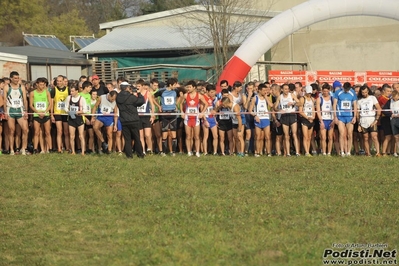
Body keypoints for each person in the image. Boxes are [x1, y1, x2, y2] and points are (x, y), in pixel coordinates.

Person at [116, 83, 145, 159]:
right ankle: (140, 154)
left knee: (127, 139)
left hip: (124, 120)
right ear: (127, 88)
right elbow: (141, 101)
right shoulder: (131, 97)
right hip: (133, 120)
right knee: (136, 138)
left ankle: (129, 155)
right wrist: (138, 93)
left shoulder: (118, 97)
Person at [179, 80, 208, 157]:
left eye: (189, 87)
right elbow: (181, 104)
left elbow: (206, 104)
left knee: (196, 136)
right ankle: (189, 151)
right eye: (187, 87)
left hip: (196, 119)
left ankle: (197, 152)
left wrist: (202, 113)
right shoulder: (185, 95)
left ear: (194, 87)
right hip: (188, 118)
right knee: (188, 136)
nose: (188, 88)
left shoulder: (199, 96)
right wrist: (182, 112)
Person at [3, 71, 29, 155]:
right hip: (11, 110)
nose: (17, 80)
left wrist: (25, 111)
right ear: (11, 78)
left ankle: (23, 148)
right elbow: (4, 100)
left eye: (18, 78)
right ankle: (11, 150)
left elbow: (25, 100)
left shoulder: (22, 87)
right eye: (15, 78)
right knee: (12, 130)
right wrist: (5, 112)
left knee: (25, 129)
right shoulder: (7, 87)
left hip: (20, 110)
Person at [153, 78, 180, 156]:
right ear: (170, 85)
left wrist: (176, 104)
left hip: (173, 113)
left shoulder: (176, 91)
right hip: (164, 114)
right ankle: (164, 152)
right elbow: (152, 97)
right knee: (164, 134)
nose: (176, 86)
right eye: (174, 85)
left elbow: (180, 97)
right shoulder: (162, 91)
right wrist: (159, 106)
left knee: (173, 133)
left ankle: (173, 152)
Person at [248, 83, 275, 157]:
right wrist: (255, 116)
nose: (265, 92)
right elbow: (250, 110)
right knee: (258, 136)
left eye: (266, 90)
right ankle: (257, 152)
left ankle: (268, 152)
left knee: (267, 137)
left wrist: (266, 97)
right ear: (259, 90)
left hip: (266, 118)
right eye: (263, 90)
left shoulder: (267, 97)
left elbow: (272, 105)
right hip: (258, 119)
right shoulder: (255, 98)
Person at [274, 83, 301, 156]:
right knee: (286, 135)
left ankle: (297, 152)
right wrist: (279, 110)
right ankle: (288, 153)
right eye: (285, 89)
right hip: (284, 116)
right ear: (282, 89)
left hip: (292, 115)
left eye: (288, 89)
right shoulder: (280, 97)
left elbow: (300, 103)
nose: (287, 90)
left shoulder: (291, 95)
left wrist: (293, 103)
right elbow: (275, 107)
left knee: (294, 134)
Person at [333, 82, 357, 157]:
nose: (346, 91)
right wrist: (335, 117)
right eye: (345, 89)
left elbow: (355, 105)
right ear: (343, 87)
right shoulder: (338, 92)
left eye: (348, 89)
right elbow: (334, 105)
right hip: (340, 116)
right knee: (342, 134)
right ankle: (342, 152)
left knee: (350, 134)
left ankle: (348, 152)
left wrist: (355, 116)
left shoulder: (352, 93)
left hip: (349, 116)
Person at [356, 85, 381, 156]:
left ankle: (378, 152)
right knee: (365, 138)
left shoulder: (372, 98)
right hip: (363, 121)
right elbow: (357, 113)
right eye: (363, 92)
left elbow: (378, 108)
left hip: (372, 119)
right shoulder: (359, 100)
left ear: (368, 91)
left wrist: (376, 119)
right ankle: (368, 153)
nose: (364, 94)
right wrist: (359, 124)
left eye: (366, 92)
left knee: (374, 136)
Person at [29, 77, 52, 153]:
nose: (42, 86)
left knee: (47, 132)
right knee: (36, 132)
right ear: (37, 84)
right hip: (37, 115)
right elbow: (31, 105)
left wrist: (45, 112)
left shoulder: (47, 92)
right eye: (41, 85)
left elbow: (50, 104)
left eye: (43, 85)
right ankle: (35, 149)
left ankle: (50, 148)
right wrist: (38, 112)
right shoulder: (32, 93)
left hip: (45, 114)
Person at [51, 75, 70, 153]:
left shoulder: (68, 90)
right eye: (57, 81)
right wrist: (52, 115)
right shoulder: (53, 90)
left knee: (66, 132)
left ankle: (67, 148)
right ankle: (59, 148)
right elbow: (52, 103)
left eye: (60, 81)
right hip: (57, 113)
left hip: (65, 113)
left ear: (63, 81)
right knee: (59, 131)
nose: (58, 82)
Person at [65, 86, 87, 155]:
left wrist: (78, 112)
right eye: (70, 91)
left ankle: (83, 152)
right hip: (71, 117)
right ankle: (73, 151)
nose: (71, 93)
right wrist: (68, 111)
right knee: (72, 136)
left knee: (81, 136)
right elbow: (65, 107)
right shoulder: (69, 98)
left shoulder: (82, 99)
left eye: (73, 91)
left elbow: (85, 110)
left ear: (77, 91)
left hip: (79, 118)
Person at [316, 83, 334, 156]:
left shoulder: (332, 99)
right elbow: (318, 111)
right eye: (324, 91)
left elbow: (335, 110)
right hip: (323, 119)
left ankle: (329, 152)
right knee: (323, 137)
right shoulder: (319, 99)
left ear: (329, 90)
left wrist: (333, 120)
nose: (325, 93)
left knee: (330, 137)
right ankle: (324, 152)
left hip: (330, 119)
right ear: (322, 91)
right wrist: (321, 121)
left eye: (326, 91)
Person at [299, 85, 316, 156]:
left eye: (310, 93)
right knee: (305, 136)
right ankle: (306, 152)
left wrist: (313, 117)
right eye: (308, 93)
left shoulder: (312, 99)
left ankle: (308, 150)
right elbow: (300, 111)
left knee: (309, 137)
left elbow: (313, 109)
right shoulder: (302, 99)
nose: (309, 94)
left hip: (311, 119)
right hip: (305, 119)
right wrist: (307, 118)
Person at [382, 90, 399, 157]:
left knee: (396, 137)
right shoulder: (389, 101)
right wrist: (391, 114)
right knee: (391, 137)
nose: (394, 99)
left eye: (395, 97)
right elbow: (384, 110)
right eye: (393, 97)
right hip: (391, 121)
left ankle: (395, 152)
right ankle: (384, 152)